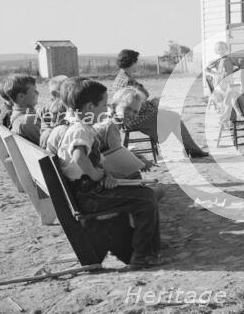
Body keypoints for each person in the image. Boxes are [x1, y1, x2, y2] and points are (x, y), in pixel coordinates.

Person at [51, 77, 162, 269]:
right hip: (88, 194)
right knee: (146, 199)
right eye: (103, 105)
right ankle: (142, 254)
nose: (106, 109)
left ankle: (148, 247)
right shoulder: (80, 130)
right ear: (89, 107)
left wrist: (103, 175)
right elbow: (79, 157)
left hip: (86, 191)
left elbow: (85, 161)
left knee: (144, 193)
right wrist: (97, 175)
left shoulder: (81, 128)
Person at [112, 49, 208, 158]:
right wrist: (153, 103)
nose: (137, 64)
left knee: (170, 115)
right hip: (135, 118)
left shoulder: (119, 78)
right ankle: (192, 149)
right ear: (132, 62)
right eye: (136, 61)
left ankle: (190, 148)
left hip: (127, 117)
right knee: (174, 117)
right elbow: (136, 106)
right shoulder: (128, 81)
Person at [1, 74, 41, 145]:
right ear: (21, 96)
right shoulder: (28, 121)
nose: (38, 93)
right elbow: (47, 146)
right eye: (34, 91)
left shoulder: (15, 113)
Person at [39, 75, 68, 148]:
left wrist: (47, 129)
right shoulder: (64, 107)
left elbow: (44, 125)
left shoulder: (45, 107)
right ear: (55, 93)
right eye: (68, 90)